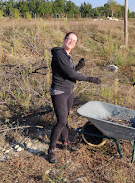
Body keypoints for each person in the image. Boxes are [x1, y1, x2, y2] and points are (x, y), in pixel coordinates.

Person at [48, 32, 101, 163]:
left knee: (65, 119)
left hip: (69, 91)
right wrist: (89, 78)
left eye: (74, 41)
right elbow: (70, 73)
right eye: (69, 39)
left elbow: (68, 72)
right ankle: (51, 150)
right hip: (59, 91)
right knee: (61, 121)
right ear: (64, 39)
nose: (71, 42)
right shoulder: (59, 53)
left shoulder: (67, 55)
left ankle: (65, 143)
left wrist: (77, 67)